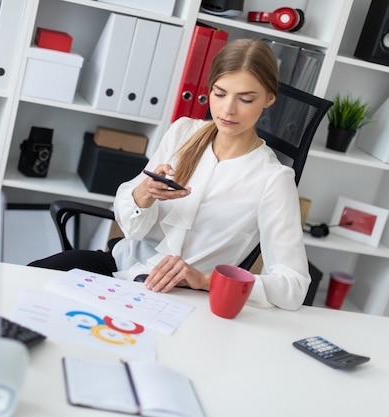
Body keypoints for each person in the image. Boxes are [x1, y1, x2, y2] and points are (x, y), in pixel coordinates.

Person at [29, 39, 311, 311]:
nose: (227, 109)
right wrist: (143, 194)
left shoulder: (273, 179)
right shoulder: (183, 132)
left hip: (183, 298)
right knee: (29, 280)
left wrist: (203, 280)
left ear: (269, 99)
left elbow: (293, 286)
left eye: (245, 99)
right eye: (220, 93)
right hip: (124, 266)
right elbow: (132, 227)